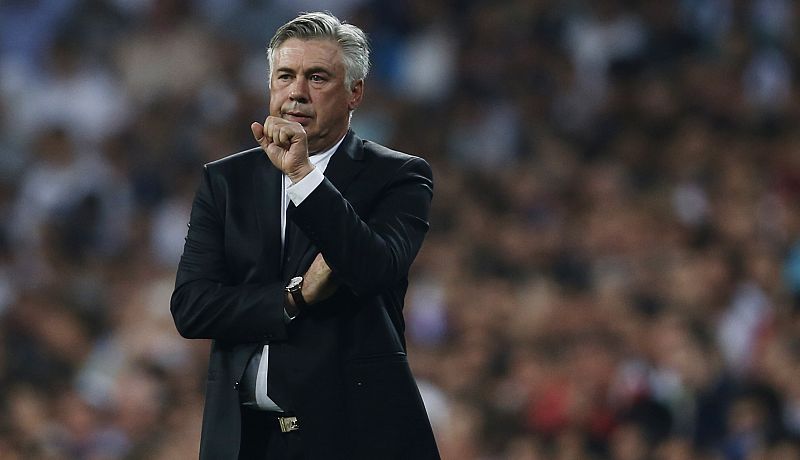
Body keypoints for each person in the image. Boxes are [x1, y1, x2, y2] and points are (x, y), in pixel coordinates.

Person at [170, 11, 440, 460]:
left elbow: (373, 270)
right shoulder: (226, 181)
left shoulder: (398, 176)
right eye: (285, 76)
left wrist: (302, 175)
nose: (297, 92)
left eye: (317, 77)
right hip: (247, 441)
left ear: (355, 92)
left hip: (355, 437)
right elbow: (191, 308)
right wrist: (290, 298)